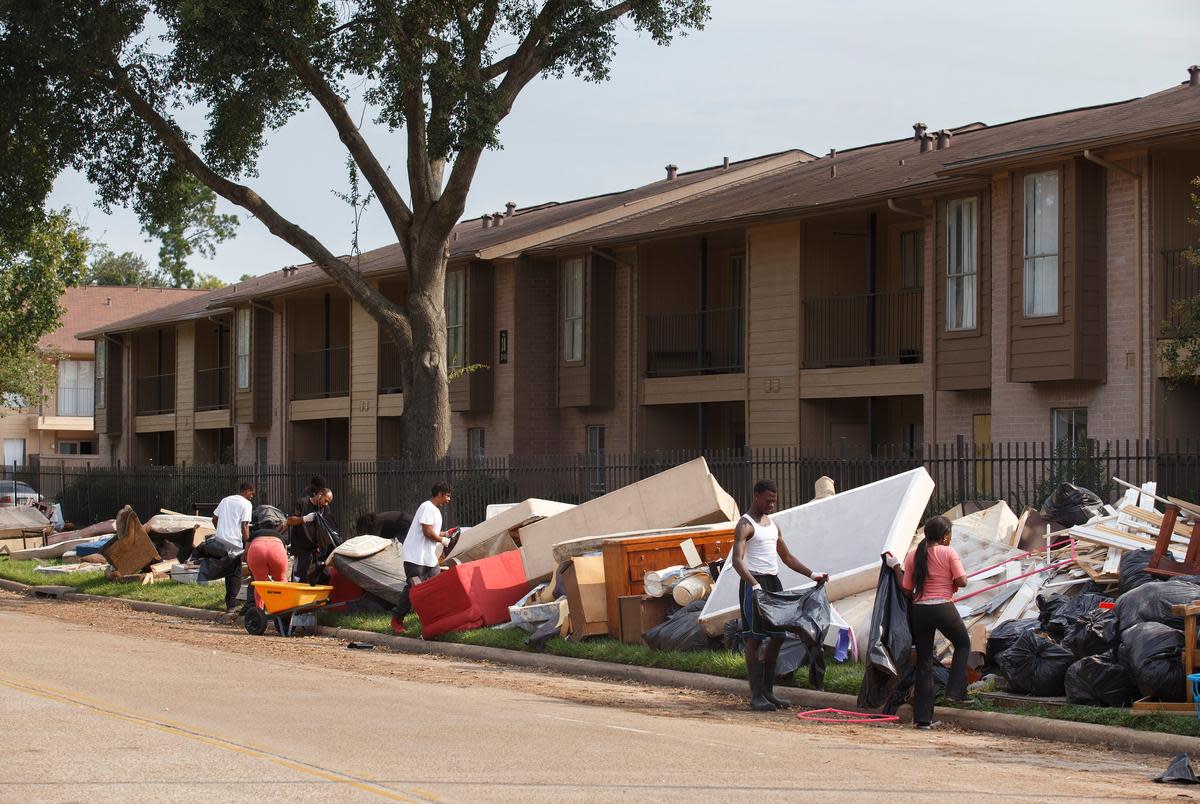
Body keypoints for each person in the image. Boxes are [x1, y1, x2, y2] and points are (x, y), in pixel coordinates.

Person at [731, 479, 828, 712]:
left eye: (774, 501)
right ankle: (756, 696)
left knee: (778, 636)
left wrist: (812, 574)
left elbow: (787, 558)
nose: (772, 504)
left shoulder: (773, 525)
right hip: (753, 584)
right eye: (768, 500)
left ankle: (768, 692)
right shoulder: (745, 525)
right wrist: (753, 585)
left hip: (773, 583)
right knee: (754, 639)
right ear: (756, 496)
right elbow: (737, 561)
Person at [885, 515, 971, 730]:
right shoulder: (948, 552)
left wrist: (896, 567)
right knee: (963, 644)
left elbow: (906, 589)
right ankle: (955, 692)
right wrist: (949, 580)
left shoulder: (914, 555)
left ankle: (922, 720)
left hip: (920, 610)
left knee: (924, 662)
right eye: (949, 535)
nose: (950, 539)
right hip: (942, 606)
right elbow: (963, 581)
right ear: (944, 537)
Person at [394, 482, 456, 620]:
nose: (449, 499)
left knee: (435, 586)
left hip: (428, 557)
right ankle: (397, 619)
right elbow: (427, 532)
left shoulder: (435, 510)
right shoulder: (426, 507)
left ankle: (433, 618)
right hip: (415, 556)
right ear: (439, 494)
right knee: (412, 588)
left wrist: (446, 533)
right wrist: (443, 541)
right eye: (447, 496)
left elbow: (432, 531)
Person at [200, 482, 255, 614]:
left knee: (228, 572)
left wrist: (221, 531)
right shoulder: (246, 504)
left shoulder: (225, 500)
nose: (252, 496)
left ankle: (229, 603)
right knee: (236, 573)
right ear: (247, 491)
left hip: (220, 541)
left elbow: (214, 519)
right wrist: (248, 543)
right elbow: (245, 526)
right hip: (234, 542)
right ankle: (232, 604)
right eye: (252, 493)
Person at [245, 504, 290, 609]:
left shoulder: (255, 533)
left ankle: (259, 611)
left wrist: (248, 562)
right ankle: (281, 609)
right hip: (277, 549)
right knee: (281, 580)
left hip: (257, 549)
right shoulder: (279, 535)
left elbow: (247, 550)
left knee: (260, 584)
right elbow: (285, 551)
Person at [287, 478, 332, 584]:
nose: (326, 504)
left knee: (321, 577)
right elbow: (289, 520)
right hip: (302, 550)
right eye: (325, 500)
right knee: (300, 579)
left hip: (317, 551)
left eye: (328, 502)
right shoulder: (303, 503)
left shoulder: (325, 509)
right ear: (320, 494)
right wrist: (304, 519)